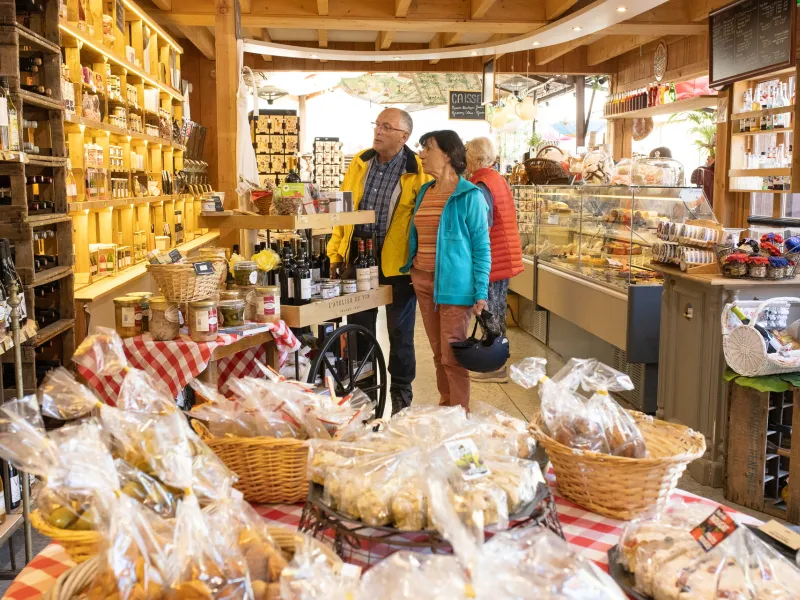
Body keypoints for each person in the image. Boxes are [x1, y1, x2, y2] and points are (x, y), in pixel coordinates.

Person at [327, 108, 431, 415]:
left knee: (400, 334)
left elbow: (423, 222)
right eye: (377, 125)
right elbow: (343, 211)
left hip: (398, 265)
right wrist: (336, 252)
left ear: (404, 136)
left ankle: (401, 393)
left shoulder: (417, 170)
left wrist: (418, 262)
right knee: (358, 330)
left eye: (387, 127)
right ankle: (364, 393)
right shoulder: (360, 162)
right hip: (358, 258)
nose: (379, 131)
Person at [400, 130, 491, 410]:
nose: (421, 154)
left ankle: (459, 415)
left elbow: (481, 247)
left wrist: (481, 291)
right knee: (439, 354)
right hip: (423, 281)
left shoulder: (470, 195)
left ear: (448, 154)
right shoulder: (425, 192)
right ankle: (445, 411)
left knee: (453, 356)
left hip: (455, 287)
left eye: (428, 148)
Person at [465, 137, 523, 383]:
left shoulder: (481, 184)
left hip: (492, 257)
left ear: (474, 157)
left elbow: (483, 226)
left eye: (466, 153)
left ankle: (496, 367)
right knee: (495, 310)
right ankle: (495, 362)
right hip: (501, 254)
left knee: (490, 312)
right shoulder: (495, 178)